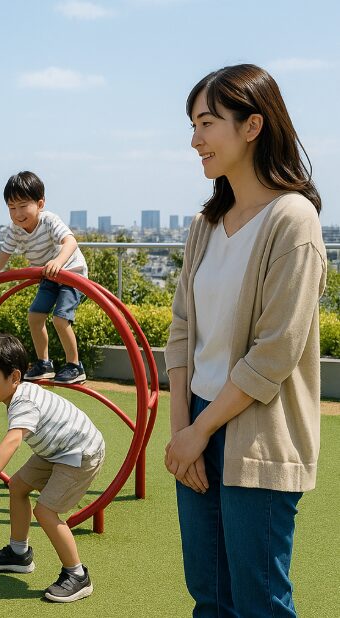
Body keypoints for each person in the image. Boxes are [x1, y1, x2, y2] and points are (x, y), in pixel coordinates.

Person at [165, 64, 326, 617]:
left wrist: (199, 432)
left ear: (253, 126)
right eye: (193, 125)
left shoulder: (292, 219)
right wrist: (182, 429)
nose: (195, 140)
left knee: (260, 602)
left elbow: (274, 352)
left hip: (258, 432)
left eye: (207, 123)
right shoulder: (206, 224)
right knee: (209, 597)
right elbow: (181, 331)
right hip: (197, 421)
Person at [0, 334, 105, 603]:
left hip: (80, 453)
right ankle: (19, 553)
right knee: (17, 486)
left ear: (15, 377)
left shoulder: (24, 402)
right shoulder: (19, 394)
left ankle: (77, 575)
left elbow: (13, 440)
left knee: (45, 511)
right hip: (56, 450)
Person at [0, 171, 89, 384]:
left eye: (23, 206)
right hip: (48, 276)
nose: (18, 213)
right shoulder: (15, 230)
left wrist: (58, 262)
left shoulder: (49, 221)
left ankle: (75, 366)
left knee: (60, 319)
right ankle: (44, 364)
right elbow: (4, 253)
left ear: (40, 204)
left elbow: (71, 242)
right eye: (12, 207)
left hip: (71, 274)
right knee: (35, 317)